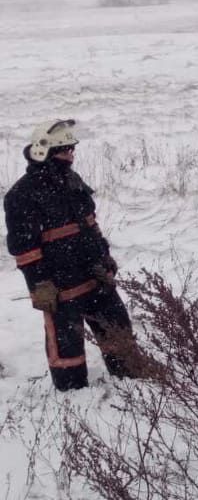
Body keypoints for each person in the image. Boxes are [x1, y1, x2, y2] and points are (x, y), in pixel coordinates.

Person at [4, 119, 147, 391]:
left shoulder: (71, 179)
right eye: (64, 149)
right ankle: (74, 395)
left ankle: (130, 379)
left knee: (116, 326)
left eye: (72, 148)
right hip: (59, 284)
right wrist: (40, 285)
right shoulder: (21, 194)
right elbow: (24, 249)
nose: (71, 154)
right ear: (42, 151)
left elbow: (90, 224)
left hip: (93, 274)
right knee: (67, 346)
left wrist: (104, 256)